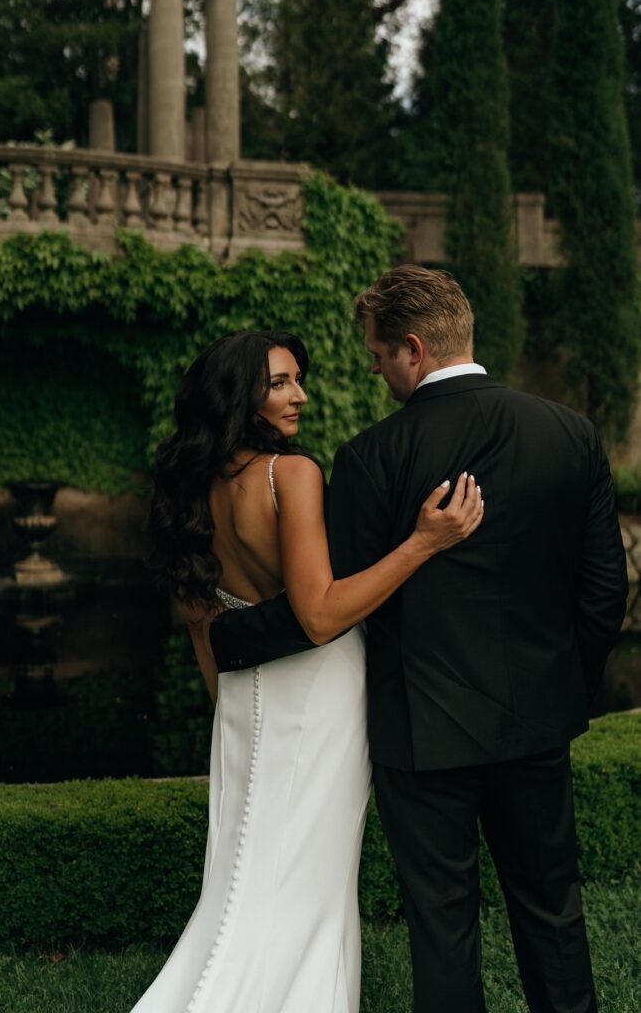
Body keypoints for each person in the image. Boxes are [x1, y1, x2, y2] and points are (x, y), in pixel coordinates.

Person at [210, 266, 629, 1013]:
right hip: (535, 721)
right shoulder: (568, 432)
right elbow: (602, 593)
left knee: (443, 929)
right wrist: (562, 686)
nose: (374, 372)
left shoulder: (372, 457)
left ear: (411, 348)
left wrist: (228, 635)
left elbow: (333, 603)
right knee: (553, 913)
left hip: (421, 733)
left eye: (376, 357)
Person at [131, 329, 482, 1013]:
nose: (300, 395)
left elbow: (201, 619)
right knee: (311, 877)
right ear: (240, 395)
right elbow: (318, 615)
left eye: (297, 379)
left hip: (240, 694)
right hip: (318, 692)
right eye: (281, 383)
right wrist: (423, 543)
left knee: (243, 873)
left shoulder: (194, 487)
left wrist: (227, 706)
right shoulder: (290, 474)